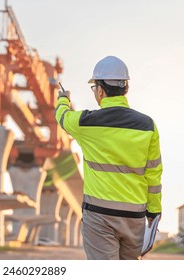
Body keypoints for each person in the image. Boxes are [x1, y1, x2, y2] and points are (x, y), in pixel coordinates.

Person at [55, 56, 163, 260]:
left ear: (101, 90)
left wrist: (63, 99)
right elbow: (154, 174)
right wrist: (154, 211)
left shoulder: (86, 122)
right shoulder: (148, 126)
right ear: (125, 88)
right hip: (135, 217)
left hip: (100, 215)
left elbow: (62, 116)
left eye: (94, 88)